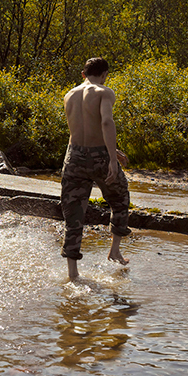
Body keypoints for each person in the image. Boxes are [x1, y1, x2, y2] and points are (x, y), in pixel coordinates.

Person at [60, 57, 131, 280]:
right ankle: (115, 250)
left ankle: (73, 274)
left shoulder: (69, 95)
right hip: (99, 156)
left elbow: (83, 127)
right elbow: (105, 122)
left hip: (74, 157)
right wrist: (111, 158)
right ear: (104, 74)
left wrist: (114, 148)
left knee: (73, 214)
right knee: (120, 198)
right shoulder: (104, 92)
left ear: (83, 74)